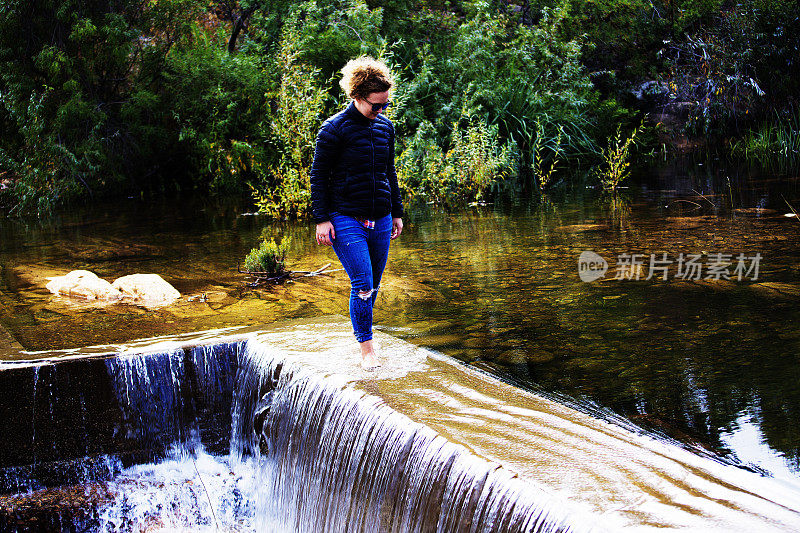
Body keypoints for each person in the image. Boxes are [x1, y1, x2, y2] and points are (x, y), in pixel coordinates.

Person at [310, 56, 404, 370]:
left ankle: (363, 333)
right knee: (362, 283)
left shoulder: (386, 128)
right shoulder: (333, 130)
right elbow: (318, 176)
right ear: (357, 96)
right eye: (376, 106)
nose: (381, 111)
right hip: (345, 216)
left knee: (373, 285)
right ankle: (367, 350)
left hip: (381, 216)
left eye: (385, 105)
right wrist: (322, 218)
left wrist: (397, 213)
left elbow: (389, 172)